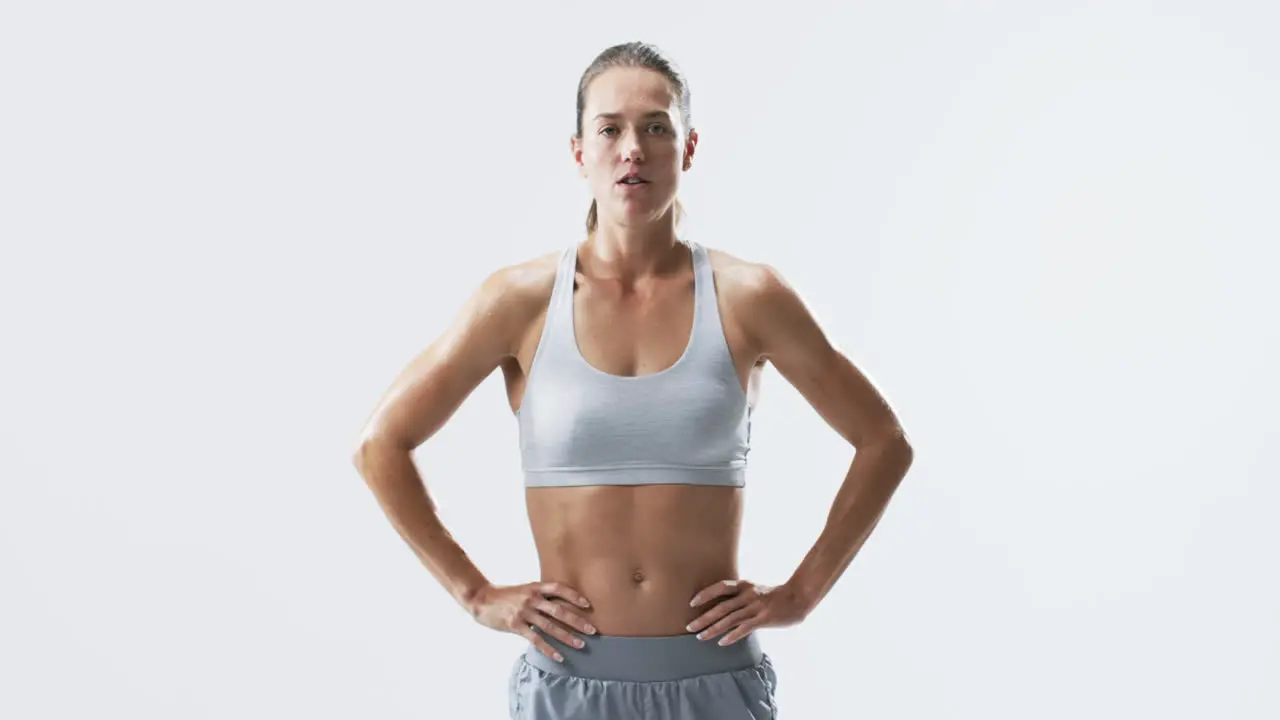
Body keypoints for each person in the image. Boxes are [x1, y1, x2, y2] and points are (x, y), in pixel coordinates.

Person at [351, 41, 915, 720]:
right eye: (610, 128)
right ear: (578, 152)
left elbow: (884, 441)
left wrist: (800, 594)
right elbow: (381, 444)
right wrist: (474, 593)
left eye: (656, 128)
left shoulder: (748, 296)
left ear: (689, 147)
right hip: (569, 685)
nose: (633, 149)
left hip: (713, 682)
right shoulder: (519, 300)